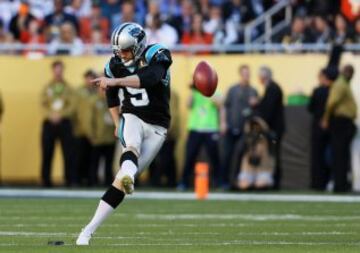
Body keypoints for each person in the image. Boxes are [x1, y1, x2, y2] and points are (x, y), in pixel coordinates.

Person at [76, 22, 172, 245]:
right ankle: (87, 231)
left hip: (158, 126)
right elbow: (110, 95)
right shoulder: (114, 65)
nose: (121, 55)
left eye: (126, 50)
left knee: (122, 180)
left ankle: (127, 173)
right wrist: (117, 122)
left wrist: (115, 81)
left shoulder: (157, 54)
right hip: (132, 115)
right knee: (131, 147)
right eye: (118, 50)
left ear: (138, 46)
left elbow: (150, 78)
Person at [177, 85, 223, 190]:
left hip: (210, 129)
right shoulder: (195, 93)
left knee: (214, 157)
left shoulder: (215, 92)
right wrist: (193, 90)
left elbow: (219, 105)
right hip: (195, 128)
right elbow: (188, 105)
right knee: (190, 156)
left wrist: (209, 91)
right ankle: (184, 182)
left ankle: (219, 182)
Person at [322, 64, 357, 192]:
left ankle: (342, 183)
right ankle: (340, 184)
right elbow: (331, 103)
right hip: (340, 122)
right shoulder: (340, 84)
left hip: (344, 122)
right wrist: (326, 118)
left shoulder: (342, 84)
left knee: (342, 154)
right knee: (339, 154)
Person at [222, 65, 258, 188]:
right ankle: (225, 181)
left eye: (248, 74)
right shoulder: (232, 89)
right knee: (227, 155)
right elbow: (225, 107)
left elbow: (256, 112)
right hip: (231, 126)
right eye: (244, 74)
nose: (246, 76)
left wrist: (255, 104)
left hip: (245, 129)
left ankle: (237, 181)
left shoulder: (253, 91)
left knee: (240, 155)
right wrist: (223, 123)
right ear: (240, 74)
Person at [40, 60, 75, 187]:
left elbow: (72, 105)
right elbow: (42, 104)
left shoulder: (69, 88)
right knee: (47, 152)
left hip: (64, 123)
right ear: (53, 71)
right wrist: (51, 115)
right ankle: (46, 180)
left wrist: (61, 115)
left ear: (63, 71)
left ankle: (69, 179)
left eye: (60, 70)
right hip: (49, 123)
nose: (58, 73)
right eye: (56, 70)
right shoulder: (47, 87)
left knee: (68, 152)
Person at [256, 66, 285, 190]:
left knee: (273, 154)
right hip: (273, 128)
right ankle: (270, 179)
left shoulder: (272, 88)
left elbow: (268, 110)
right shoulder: (271, 88)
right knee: (272, 154)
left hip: (274, 128)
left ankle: (274, 181)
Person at [149, 89, 180, 187]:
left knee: (166, 158)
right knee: (166, 158)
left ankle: (158, 181)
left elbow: (173, 114)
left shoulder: (171, 95)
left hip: (165, 132)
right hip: (158, 130)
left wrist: (167, 129)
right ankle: (169, 181)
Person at [72, 70, 98, 186]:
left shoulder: (98, 92)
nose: (89, 80)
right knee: (79, 156)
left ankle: (89, 180)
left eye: (91, 78)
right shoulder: (78, 92)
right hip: (80, 129)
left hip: (94, 131)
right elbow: (75, 110)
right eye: (88, 78)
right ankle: (76, 180)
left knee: (91, 157)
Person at [308, 69, 332, 190]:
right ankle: (328, 181)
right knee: (328, 156)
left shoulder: (317, 91)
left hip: (318, 126)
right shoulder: (331, 90)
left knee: (317, 156)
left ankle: (317, 184)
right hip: (330, 126)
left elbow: (310, 108)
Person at [88, 86, 116, 186]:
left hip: (110, 137)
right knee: (95, 161)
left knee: (109, 162)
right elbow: (90, 119)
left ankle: (108, 182)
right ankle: (93, 181)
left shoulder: (113, 100)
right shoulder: (94, 101)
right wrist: (91, 134)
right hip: (98, 138)